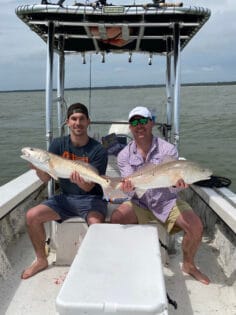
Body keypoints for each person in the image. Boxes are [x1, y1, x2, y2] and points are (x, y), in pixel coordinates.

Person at [111, 106, 210, 285]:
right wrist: (126, 188)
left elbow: (173, 187)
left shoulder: (168, 149)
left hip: (166, 202)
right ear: (130, 127)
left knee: (196, 226)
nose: (139, 125)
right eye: (134, 122)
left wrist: (177, 186)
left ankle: (189, 265)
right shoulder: (123, 155)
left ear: (152, 123)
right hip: (139, 202)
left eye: (143, 121)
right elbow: (133, 189)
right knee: (115, 219)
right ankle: (126, 262)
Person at [21, 103, 108, 279]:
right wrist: (37, 167)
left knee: (96, 225)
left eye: (82, 119)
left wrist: (81, 181)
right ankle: (41, 260)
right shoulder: (57, 144)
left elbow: (90, 186)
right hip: (65, 198)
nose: (78, 123)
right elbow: (46, 178)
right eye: (74, 119)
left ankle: (98, 263)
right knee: (32, 216)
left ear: (88, 122)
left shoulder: (98, 150)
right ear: (67, 122)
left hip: (91, 199)